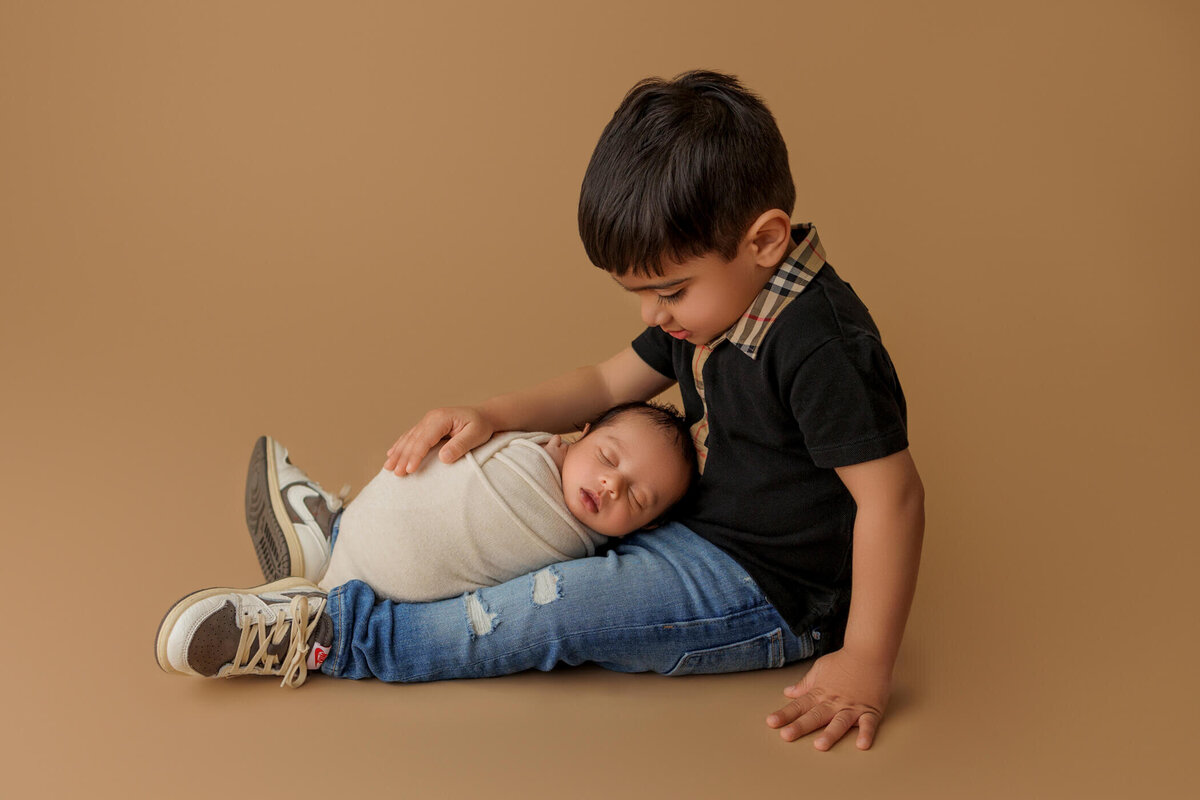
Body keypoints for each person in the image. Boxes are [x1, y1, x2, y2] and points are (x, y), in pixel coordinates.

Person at [153, 69, 924, 752]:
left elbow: (892, 498)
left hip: (768, 591)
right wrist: (492, 414)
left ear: (764, 241)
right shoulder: (714, 310)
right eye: (642, 297)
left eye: (670, 292)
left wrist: (865, 657)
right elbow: (602, 381)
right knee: (517, 485)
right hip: (684, 519)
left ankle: (338, 634)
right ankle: (353, 545)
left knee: (556, 609)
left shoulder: (821, 346)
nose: (657, 317)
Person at [248, 401, 696, 602]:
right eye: (607, 456)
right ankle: (331, 537)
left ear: (649, 528)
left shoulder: (590, 559)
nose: (611, 484)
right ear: (584, 432)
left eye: (637, 497)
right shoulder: (533, 449)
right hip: (378, 524)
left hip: (387, 595)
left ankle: (317, 565)